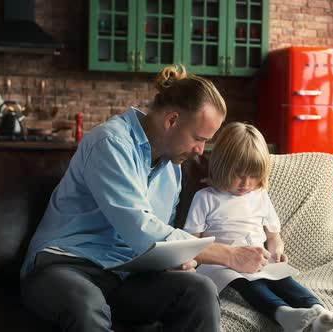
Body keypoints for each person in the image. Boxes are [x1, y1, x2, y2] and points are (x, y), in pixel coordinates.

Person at [20, 65, 272, 332]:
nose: (200, 151)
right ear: (172, 120)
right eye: (198, 138)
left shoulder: (173, 170)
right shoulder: (110, 143)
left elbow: (159, 242)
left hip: (125, 276)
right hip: (65, 266)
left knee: (198, 289)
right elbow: (141, 229)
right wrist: (229, 255)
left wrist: (176, 260)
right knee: (86, 304)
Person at [184, 122, 333, 332]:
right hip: (221, 265)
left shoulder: (259, 196)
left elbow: (274, 235)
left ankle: (318, 311)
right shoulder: (205, 198)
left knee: (284, 280)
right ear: (221, 165)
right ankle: (284, 314)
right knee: (252, 284)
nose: (247, 183)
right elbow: (192, 241)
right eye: (239, 174)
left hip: (260, 260)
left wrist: (276, 249)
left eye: (254, 175)